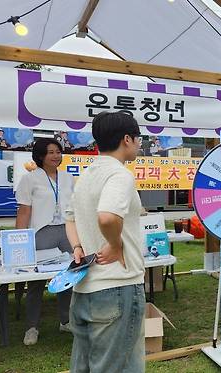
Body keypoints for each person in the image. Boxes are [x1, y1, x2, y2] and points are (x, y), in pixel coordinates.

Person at [65, 111, 145, 372]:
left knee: (84, 366)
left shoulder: (85, 176)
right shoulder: (119, 175)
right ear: (126, 139)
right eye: (138, 138)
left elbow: (70, 219)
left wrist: (78, 247)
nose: (140, 143)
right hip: (118, 287)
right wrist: (115, 244)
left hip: (84, 287)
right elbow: (108, 217)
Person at [15, 138, 75, 345]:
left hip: (66, 231)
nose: (56, 156)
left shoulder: (68, 178)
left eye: (58, 151)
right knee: (36, 281)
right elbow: (24, 211)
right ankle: (32, 327)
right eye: (50, 152)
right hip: (42, 231)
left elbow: (73, 208)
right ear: (40, 155)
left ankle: (66, 321)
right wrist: (19, 241)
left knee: (70, 276)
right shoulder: (30, 179)